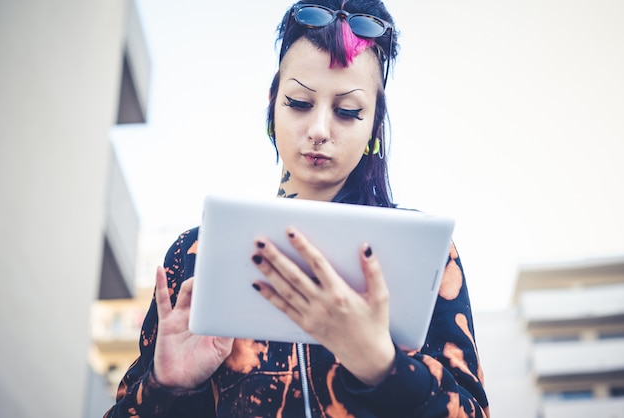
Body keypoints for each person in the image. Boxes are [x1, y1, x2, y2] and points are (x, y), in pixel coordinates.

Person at [104, 1, 489, 416]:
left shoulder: (425, 253)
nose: (320, 130)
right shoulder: (196, 255)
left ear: (375, 124)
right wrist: (169, 388)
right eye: (300, 103)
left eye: (347, 111)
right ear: (272, 103)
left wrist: (383, 366)